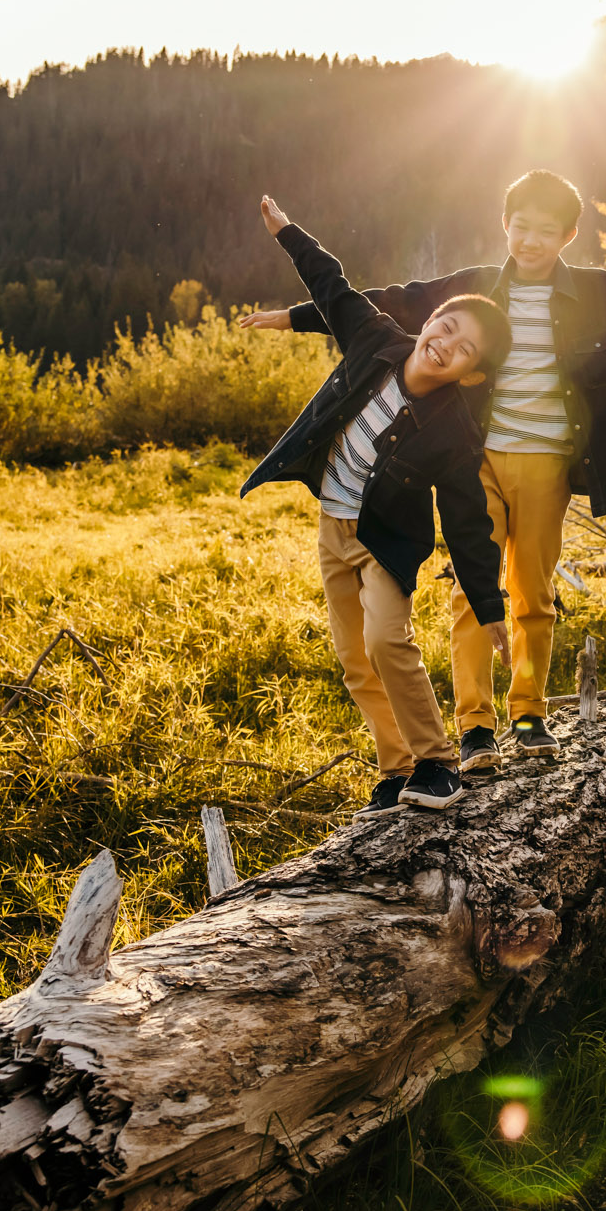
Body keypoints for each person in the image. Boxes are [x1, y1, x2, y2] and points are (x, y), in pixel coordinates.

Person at [242, 170, 606, 769]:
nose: (531, 240)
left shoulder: (599, 293)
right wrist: (295, 317)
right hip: (477, 458)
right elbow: (388, 301)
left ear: (569, 235)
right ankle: (475, 727)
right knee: (475, 589)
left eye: (547, 231)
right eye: (521, 226)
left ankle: (529, 711)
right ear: (505, 224)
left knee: (534, 594)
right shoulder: (474, 287)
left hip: (549, 464)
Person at [240, 195, 513, 816]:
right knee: (354, 660)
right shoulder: (375, 341)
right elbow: (333, 288)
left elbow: (468, 522)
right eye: (445, 327)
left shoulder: (455, 434)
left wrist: (487, 603)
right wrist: (288, 234)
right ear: (430, 322)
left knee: (389, 640)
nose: (445, 344)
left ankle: (437, 762)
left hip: (384, 543)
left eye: (464, 349)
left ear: (471, 375)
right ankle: (394, 771)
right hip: (331, 528)